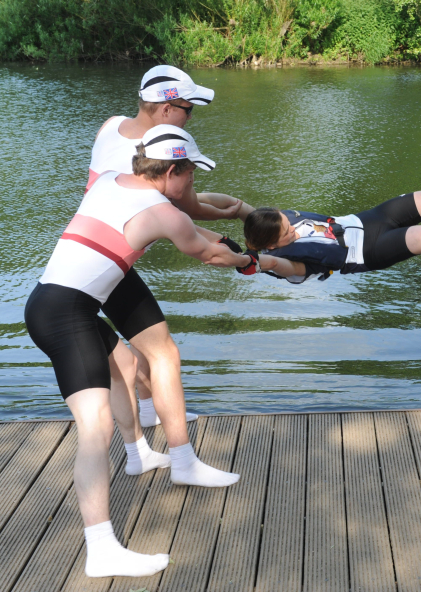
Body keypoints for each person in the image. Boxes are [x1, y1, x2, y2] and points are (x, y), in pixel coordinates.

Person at [26, 125, 253, 578]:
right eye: (190, 173)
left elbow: (192, 228)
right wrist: (249, 261)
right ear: (171, 171)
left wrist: (219, 237)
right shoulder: (162, 213)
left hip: (50, 302)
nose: (192, 182)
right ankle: (101, 549)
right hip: (66, 318)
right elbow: (208, 253)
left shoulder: (111, 180)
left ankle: (140, 455)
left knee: (127, 364)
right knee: (95, 430)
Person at [89, 65, 252, 428]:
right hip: (107, 264)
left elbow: (177, 208)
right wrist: (238, 227)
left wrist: (234, 215)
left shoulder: (110, 125)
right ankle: (174, 442)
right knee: (161, 350)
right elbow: (187, 211)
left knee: (147, 341)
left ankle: (149, 414)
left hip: (100, 252)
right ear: (165, 109)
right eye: (187, 110)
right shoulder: (157, 157)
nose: (190, 118)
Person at [241, 169, 421, 281]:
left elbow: (234, 207)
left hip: (369, 219)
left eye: (287, 221)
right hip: (369, 251)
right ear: (271, 245)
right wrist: (247, 261)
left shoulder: (267, 221)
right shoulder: (285, 262)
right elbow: (274, 265)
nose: (292, 228)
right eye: (287, 233)